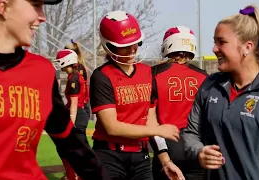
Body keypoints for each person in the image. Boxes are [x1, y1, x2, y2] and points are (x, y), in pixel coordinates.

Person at [0, 0, 107, 179]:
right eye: (36, 5)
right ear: (3, 7)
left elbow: (71, 144)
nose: (43, 17)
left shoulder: (41, 71)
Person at [182, 5, 259, 180]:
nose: (214, 49)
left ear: (247, 47)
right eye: (214, 42)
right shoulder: (210, 86)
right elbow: (190, 133)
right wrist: (199, 151)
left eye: (221, 42)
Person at [90, 10, 182, 180]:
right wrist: (157, 129)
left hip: (141, 156)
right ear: (109, 46)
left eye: (136, 42)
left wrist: (165, 161)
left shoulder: (147, 72)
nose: (133, 49)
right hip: (109, 156)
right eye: (125, 45)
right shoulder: (102, 76)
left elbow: (150, 119)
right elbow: (112, 127)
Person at [151, 26, 208, 180]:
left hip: (167, 146)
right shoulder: (203, 76)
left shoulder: (154, 73)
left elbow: (150, 119)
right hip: (197, 146)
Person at [55, 49, 90, 180]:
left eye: (60, 61)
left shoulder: (74, 78)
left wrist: (70, 123)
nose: (59, 64)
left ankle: (74, 176)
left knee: (68, 149)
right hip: (79, 113)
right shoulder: (73, 76)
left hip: (78, 114)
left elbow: (74, 103)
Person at [64, 40, 91, 119]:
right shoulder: (77, 68)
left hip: (79, 109)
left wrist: (72, 116)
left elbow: (75, 99)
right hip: (79, 108)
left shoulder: (77, 70)